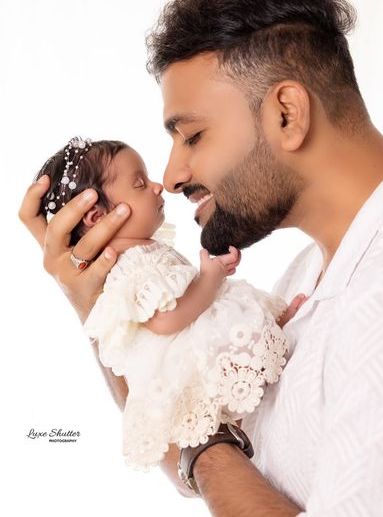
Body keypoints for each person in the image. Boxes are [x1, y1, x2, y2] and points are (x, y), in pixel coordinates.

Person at [19, 0, 383, 517]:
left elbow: (203, 448)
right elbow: (194, 439)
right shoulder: (312, 275)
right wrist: (96, 302)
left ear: (287, 114)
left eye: (193, 136)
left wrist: (205, 445)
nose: (173, 174)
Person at [34, 135, 297, 471]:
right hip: (189, 361)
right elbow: (166, 319)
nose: (158, 186)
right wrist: (209, 279)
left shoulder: (143, 252)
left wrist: (211, 278)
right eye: (140, 183)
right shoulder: (130, 265)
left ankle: (277, 337)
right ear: (96, 217)